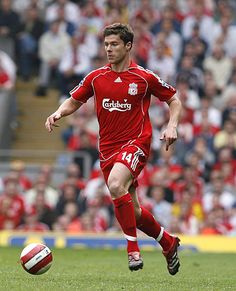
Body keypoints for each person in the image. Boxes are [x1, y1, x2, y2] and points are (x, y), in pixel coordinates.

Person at [45, 23, 182, 274]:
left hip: (136, 142)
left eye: (114, 44)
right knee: (135, 211)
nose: (108, 49)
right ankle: (168, 242)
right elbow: (74, 100)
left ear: (128, 46)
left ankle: (132, 249)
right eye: (106, 44)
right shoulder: (96, 77)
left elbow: (173, 99)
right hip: (107, 150)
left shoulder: (144, 77)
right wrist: (58, 112)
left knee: (116, 185)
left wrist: (172, 125)